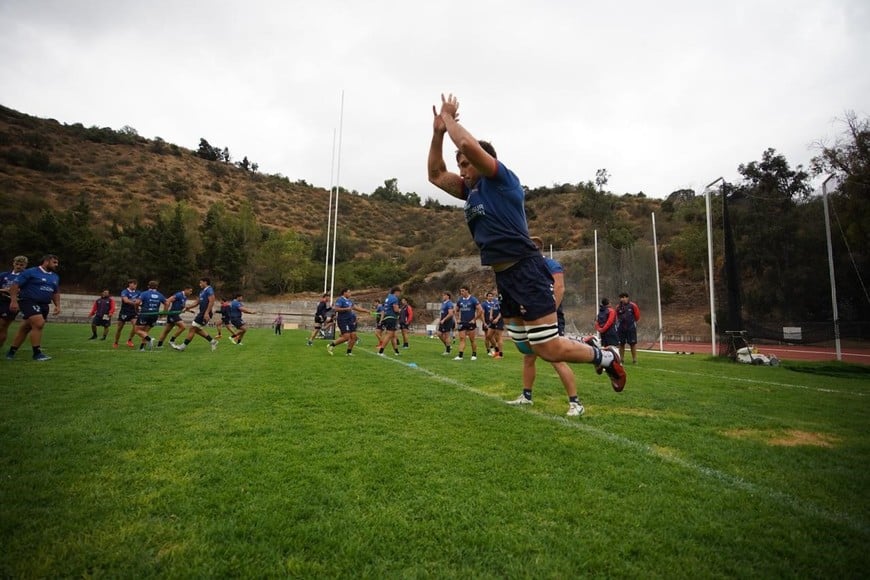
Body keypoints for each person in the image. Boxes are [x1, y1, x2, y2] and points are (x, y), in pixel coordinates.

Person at [427, 93, 625, 392]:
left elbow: (467, 144)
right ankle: (594, 351)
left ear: (484, 160)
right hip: (504, 276)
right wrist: (437, 134)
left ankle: (606, 355)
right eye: (462, 166)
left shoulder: (501, 179)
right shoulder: (471, 192)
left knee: (549, 348)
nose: (464, 171)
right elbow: (436, 174)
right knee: (525, 347)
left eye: (468, 164)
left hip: (525, 268)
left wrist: (449, 118)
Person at [508, 236, 585, 416]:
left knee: (555, 358)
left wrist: (549, 313)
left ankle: (575, 403)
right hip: (531, 316)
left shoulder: (550, 264)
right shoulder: (525, 269)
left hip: (547, 316)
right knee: (528, 357)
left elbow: (559, 288)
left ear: (537, 248)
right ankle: (526, 396)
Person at [5, 254, 61, 362]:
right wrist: (13, 301)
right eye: (54, 262)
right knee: (39, 323)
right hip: (29, 301)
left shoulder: (55, 276)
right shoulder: (30, 272)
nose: (56, 265)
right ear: (46, 261)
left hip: (44, 305)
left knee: (25, 328)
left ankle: (11, 351)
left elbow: (55, 292)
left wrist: (57, 305)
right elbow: (14, 286)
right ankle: (37, 353)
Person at [171, 277, 219, 352]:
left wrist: (206, 313)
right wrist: (188, 307)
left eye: (201, 282)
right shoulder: (202, 292)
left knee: (192, 328)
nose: (199, 284)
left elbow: (211, 301)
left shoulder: (209, 290)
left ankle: (182, 347)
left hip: (205, 313)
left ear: (205, 282)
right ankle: (213, 342)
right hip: (202, 313)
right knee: (197, 329)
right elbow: (197, 302)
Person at [326, 288, 370, 356]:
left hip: (350, 320)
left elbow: (355, 307)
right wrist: (346, 309)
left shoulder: (349, 301)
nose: (350, 294)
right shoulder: (340, 299)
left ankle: (349, 352)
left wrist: (365, 311)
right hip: (343, 320)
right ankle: (331, 345)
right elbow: (336, 309)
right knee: (346, 337)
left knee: (354, 337)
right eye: (349, 292)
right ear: (344, 293)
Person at [0, 255, 28, 349]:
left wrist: (13, 291)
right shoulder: (4, 275)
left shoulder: (26, 277)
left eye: (21, 265)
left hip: (12, 303)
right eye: (17, 264)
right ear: (13, 263)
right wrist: (4, 290)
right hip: (1, 300)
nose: (19, 266)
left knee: (3, 325)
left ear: (25, 266)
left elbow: (25, 290)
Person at [132, 280, 167, 351]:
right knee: (145, 332)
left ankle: (149, 339)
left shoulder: (144, 293)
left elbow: (137, 303)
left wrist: (137, 310)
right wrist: (164, 312)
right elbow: (166, 303)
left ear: (148, 286)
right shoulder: (159, 294)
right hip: (154, 315)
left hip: (145, 314)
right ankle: (142, 348)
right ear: (156, 287)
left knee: (137, 330)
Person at [453, 285, 483, 360]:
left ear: (467, 291)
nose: (461, 292)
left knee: (472, 339)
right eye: (461, 291)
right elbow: (456, 310)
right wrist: (457, 319)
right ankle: (460, 355)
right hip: (462, 323)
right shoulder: (460, 300)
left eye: (463, 291)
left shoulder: (473, 299)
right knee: (462, 339)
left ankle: (474, 354)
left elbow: (480, 310)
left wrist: (474, 319)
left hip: (471, 323)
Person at [113, 279, 140, 349]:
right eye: (134, 284)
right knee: (119, 329)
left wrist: (138, 304)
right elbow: (126, 300)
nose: (135, 286)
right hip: (124, 312)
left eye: (136, 284)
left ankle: (129, 340)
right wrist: (135, 303)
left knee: (136, 327)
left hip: (133, 312)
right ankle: (116, 342)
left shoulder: (138, 292)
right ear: (130, 284)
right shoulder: (124, 291)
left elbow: (140, 300)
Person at [616, 292, 641, 364]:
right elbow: (616, 316)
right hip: (621, 328)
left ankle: (634, 359)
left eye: (624, 297)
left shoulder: (633, 305)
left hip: (631, 328)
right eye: (621, 298)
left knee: (632, 343)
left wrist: (632, 323)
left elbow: (637, 316)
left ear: (627, 298)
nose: (622, 299)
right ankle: (621, 359)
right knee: (621, 344)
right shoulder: (618, 307)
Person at [377, 287, 402, 356]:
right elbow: (396, 309)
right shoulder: (394, 298)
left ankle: (396, 352)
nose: (399, 294)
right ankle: (380, 351)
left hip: (387, 317)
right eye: (399, 293)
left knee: (393, 335)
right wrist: (400, 310)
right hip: (391, 317)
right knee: (389, 335)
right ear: (396, 292)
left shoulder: (388, 297)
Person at [437, 291, 455, 356]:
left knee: (447, 335)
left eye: (444, 295)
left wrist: (444, 319)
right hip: (442, 321)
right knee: (439, 334)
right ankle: (448, 346)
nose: (443, 296)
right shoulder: (443, 303)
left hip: (447, 321)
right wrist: (440, 320)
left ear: (447, 296)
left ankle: (447, 351)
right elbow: (442, 313)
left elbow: (450, 314)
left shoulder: (449, 303)